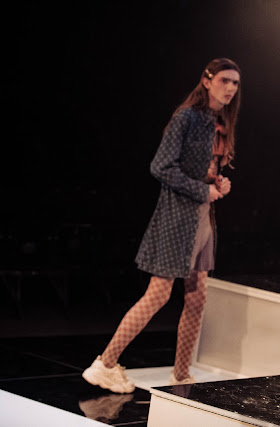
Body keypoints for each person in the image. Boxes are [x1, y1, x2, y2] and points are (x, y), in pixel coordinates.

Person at [83, 58, 241, 393]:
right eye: (224, 80)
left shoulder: (219, 121)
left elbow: (203, 168)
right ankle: (104, 364)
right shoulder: (187, 117)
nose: (230, 88)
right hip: (178, 218)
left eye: (235, 83)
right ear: (207, 80)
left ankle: (181, 374)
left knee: (197, 298)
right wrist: (202, 189)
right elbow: (161, 167)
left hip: (202, 219)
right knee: (157, 294)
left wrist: (217, 183)